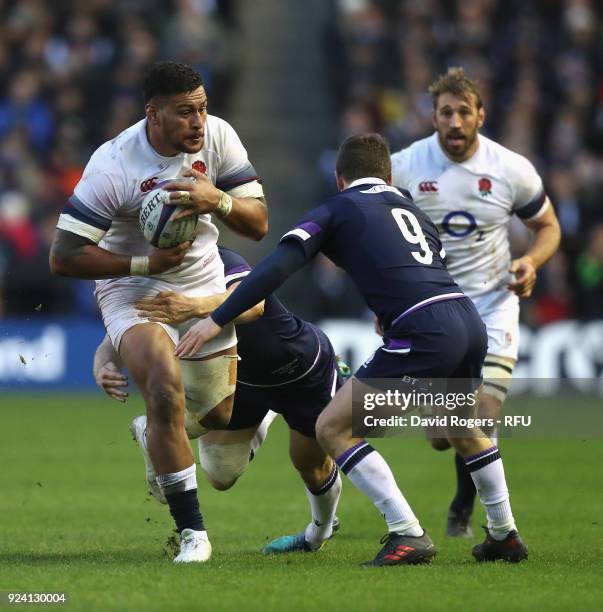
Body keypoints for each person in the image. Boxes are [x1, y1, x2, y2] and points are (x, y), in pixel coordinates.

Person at [171, 133, 529, 565]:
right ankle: (504, 533)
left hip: (423, 332)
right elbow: (417, 265)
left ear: (341, 178)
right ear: (389, 175)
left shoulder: (339, 208)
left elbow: (274, 268)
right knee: (463, 429)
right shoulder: (410, 208)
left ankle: (406, 533)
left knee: (333, 428)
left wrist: (216, 317)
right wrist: (389, 311)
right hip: (466, 320)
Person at [49, 61, 268, 563]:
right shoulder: (114, 165)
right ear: (154, 114)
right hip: (133, 287)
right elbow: (63, 256)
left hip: (202, 277)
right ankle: (193, 534)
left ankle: (154, 434)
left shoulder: (219, 138)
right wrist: (145, 261)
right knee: (165, 389)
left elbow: (258, 224)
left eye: (203, 108)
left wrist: (219, 201)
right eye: (186, 112)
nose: (198, 121)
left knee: (218, 416)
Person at [391, 67, 561, 537]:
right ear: (434, 118)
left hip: (493, 304)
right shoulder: (405, 166)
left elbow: (548, 228)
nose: (455, 121)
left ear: (480, 116)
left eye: (464, 111)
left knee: (482, 414)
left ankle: (470, 516)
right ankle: (465, 501)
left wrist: (530, 262)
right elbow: (373, 228)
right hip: (433, 310)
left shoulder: (511, 169)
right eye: (446, 112)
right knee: (441, 436)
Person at [94, 246, 344, 554]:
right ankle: (263, 416)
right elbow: (121, 330)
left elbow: (255, 305)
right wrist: (103, 364)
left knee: (311, 463)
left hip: (288, 367)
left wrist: (194, 307)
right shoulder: (143, 276)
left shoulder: (215, 257)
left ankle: (320, 533)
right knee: (221, 474)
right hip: (237, 383)